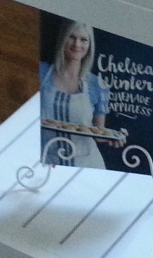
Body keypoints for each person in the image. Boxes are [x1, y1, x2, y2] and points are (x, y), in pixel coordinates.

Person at [39, 20, 110, 168]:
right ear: (62, 39)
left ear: (90, 45)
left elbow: (98, 133)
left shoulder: (97, 84)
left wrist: (112, 138)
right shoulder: (41, 72)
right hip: (46, 160)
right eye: (71, 37)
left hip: (87, 164)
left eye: (83, 40)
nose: (77, 44)